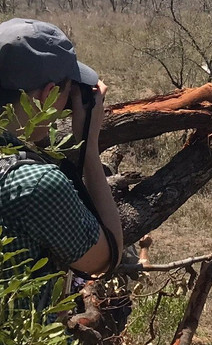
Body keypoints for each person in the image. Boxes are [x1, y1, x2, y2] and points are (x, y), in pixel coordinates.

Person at [0, 17, 123, 284]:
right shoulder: (36, 185)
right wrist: (89, 147)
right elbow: (105, 259)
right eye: (68, 91)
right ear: (49, 95)